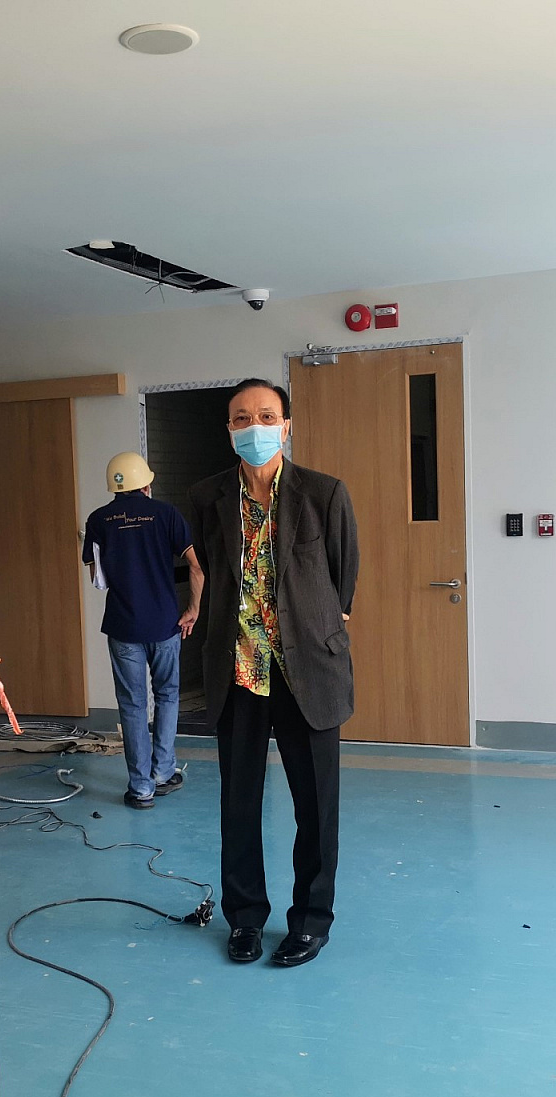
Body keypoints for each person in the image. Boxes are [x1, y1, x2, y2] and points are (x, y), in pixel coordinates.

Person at [189, 379, 358, 968]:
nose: (254, 426)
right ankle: (244, 918)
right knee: (239, 805)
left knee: (316, 807)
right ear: (229, 429)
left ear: (285, 426)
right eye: (241, 418)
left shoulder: (324, 493)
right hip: (239, 671)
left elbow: (342, 578)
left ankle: (311, 921)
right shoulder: (207, 496)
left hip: (307, 670)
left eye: (266, 416)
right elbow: (214, 571)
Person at [84, 452, 205, 809]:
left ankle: (141, 789)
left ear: (114, 487)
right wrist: (193, 610)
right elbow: (197, 567)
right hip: (165, 624)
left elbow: (97, 579)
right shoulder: (166, 514)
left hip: (123, 626)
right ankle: (163, 773)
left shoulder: (98, 520)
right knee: (167, 695)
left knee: (132, 704)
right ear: (147, 485)